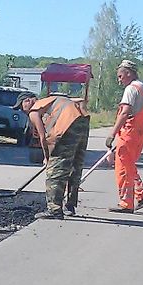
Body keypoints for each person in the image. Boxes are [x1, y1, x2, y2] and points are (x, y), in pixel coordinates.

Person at [15, 90, 90, 219]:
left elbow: (43, 137)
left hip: (68, 124)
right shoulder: (50, 101)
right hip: (82, 121)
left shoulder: (34, 110)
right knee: (75, 167)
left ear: (27, 101)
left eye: (21, 107)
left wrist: (47, 157)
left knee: (55, 171)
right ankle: (70, 206)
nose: (23, 111)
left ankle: (54, 209)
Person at [106, 59, 143, 212]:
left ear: (128, 73)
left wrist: (112, 134)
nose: (119, 81)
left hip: (129, 133)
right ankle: (142, 195)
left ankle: (126, 203)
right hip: (139, 133)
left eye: (120, 76)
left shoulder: (131, 89)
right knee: (130, 166)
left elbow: (125, 112)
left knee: (123, 169)